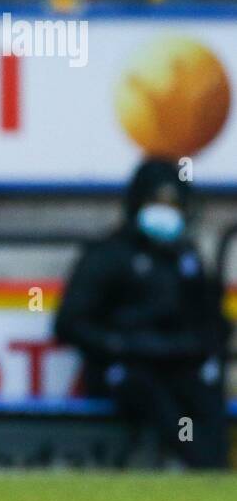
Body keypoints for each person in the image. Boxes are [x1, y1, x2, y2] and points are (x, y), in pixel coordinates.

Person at [55, 159, 230, 469]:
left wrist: (197, 347)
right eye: (157, 202)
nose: (166, 211)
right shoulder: (108, 256)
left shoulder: (186, 260)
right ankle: (190, 461)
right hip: (125, 367)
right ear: (138, 203)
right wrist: (119, 345)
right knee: (145, 388)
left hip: (177, 365)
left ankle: (213, 468)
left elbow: (210, 323)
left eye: (174, 203)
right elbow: (69, 324)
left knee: (205, 391)